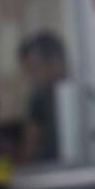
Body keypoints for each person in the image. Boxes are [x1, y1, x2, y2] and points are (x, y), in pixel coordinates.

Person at [18, 32, 68, 162]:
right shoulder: (39, 98)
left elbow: (30, 151)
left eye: (34, 69)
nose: (30, 77)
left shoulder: (76, 96)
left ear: (55, 63)